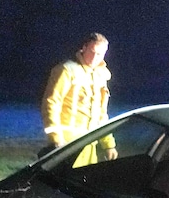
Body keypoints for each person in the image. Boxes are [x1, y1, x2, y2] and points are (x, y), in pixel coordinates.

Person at [41, 32, 118, 167]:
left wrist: (109, 144)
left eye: (99, 54)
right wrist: (56, 139)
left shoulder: (101, 75)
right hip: (67, 142)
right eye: (92, 51)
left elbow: (101, 113)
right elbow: (51, 103)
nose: (94, 57)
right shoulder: (67, 70)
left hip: (89, 143)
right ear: (84, 48)